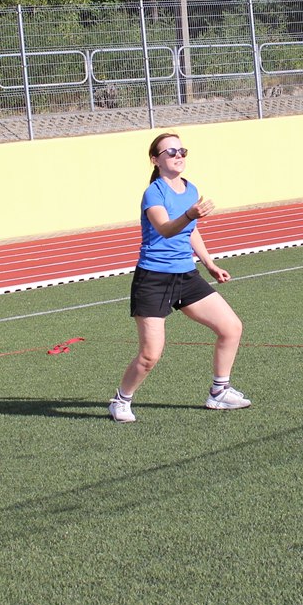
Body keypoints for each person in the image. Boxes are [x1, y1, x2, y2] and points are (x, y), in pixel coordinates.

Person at [109, 132, 250, 423]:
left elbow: (190, 230)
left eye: (181, 150)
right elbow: (165, 229)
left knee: (231, 327)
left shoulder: (190, 188)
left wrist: (209, 263)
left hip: (185, 275)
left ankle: (219, 392)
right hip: (154, 278)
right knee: (150, 355)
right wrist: (189, 214)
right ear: (155, 160)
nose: (178, 155)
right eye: (171, 152)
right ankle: (121, 400)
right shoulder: (154, 193)